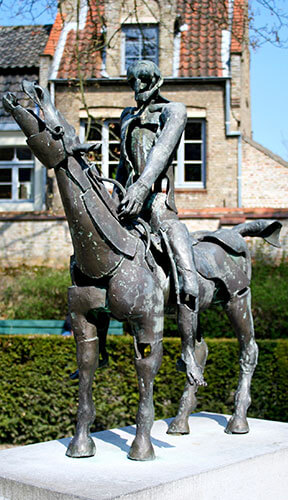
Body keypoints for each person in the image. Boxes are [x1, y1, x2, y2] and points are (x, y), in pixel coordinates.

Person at [116, 60, 204, 386]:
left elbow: (161, 153)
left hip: (159, 206)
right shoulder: (127, 117)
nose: (138, 85)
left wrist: (142, 188)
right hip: (129, 208)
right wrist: (115, 200)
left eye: (145, 78)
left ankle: (188, 353)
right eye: (133, 79)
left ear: (157, 80)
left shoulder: (174, 111)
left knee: (189, 279)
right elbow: (122, 168)